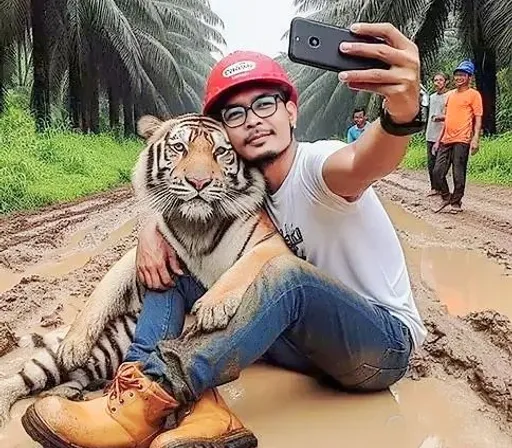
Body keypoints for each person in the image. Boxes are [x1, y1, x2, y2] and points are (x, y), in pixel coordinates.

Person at [24, 23, 427, 448]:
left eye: (265, 105)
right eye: (235, 114)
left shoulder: (317, 166)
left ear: (292, 110)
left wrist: (400, 115)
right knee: (179, 266)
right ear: (222, 134)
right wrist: (152, 229)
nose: (252, 121)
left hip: (378, 349)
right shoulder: (245, 188)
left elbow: (366, 162)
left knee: (287, 274)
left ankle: (152, 398)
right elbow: (178, 216)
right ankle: (160, 393)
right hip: (304, 350)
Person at [432, 60, 483, 213]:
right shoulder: (451, 96)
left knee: (458, 173)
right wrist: (438, 140)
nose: (459, 77)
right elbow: (447, 119)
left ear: (469, 77)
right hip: (446, 139)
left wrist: (475, 139)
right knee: (437, 172)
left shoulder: (474, 95)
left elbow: (478, 117)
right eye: (457, 75)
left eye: (463, 75)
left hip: (462, 139)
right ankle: (447, 197)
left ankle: (456, 202)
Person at [425, 72, 450, 196]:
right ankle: (434, 188)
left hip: (443, 135)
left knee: (439, 167)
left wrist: (441, 117)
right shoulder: (432, 97)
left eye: (441, 80)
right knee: (431, 163)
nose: (438, 82)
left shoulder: (450, 95)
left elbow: (453, 115)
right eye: (435, 80)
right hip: (430, 133)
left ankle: (443, 189)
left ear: (446, 81)